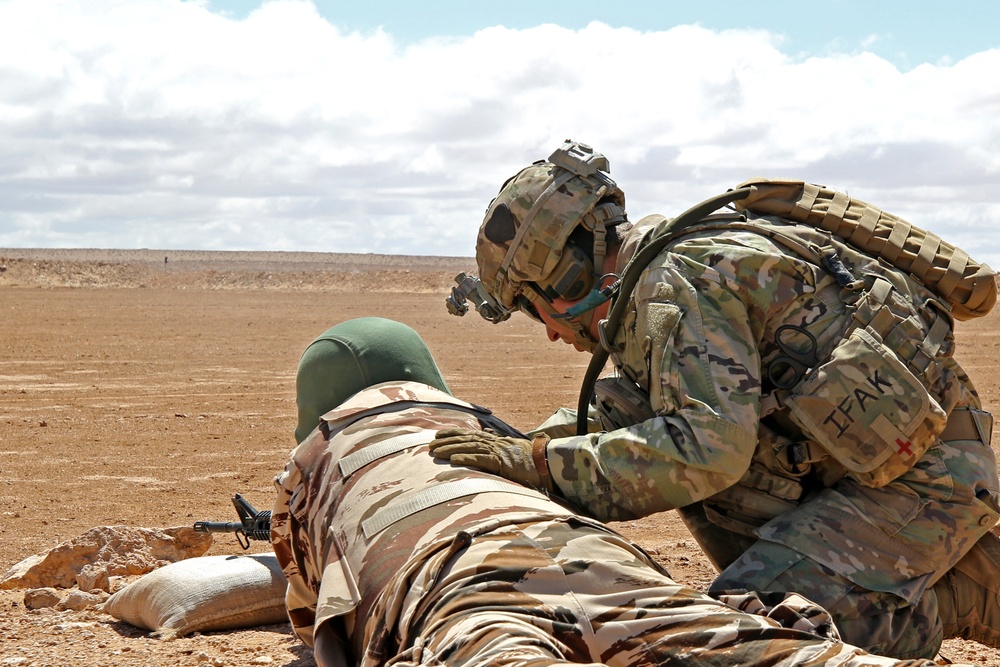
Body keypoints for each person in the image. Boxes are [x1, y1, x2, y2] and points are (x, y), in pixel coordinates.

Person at [432, 141, 1000, 659]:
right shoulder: (660, 275)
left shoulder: (676, 282)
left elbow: (709, 448)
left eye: (535, 308)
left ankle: (940, 600)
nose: (552, 333)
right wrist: (521, 446)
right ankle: (918, 577)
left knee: (762, 622)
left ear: (567, 276)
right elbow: (631, 408)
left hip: (924, 482)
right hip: (880, 473)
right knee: (709, 501)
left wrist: (540, 465)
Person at [270, 316, 978, 667]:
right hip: (606, 568)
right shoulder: (487, 433)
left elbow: (314, 623)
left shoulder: (316, 458)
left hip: (460, 591)